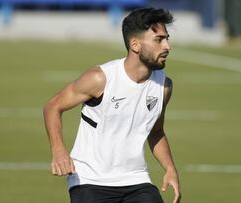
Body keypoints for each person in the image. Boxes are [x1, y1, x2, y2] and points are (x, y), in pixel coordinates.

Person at [43, 7, 181, 203]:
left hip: (136, 180)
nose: (167, 46)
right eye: (159, 40)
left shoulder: (164, 86)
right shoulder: (100, 79)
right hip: (90, 180)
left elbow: (156, 131)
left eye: (166, 38)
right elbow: (52, 106)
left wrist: (170, 168)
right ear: (135, 44)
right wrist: (58, 150)